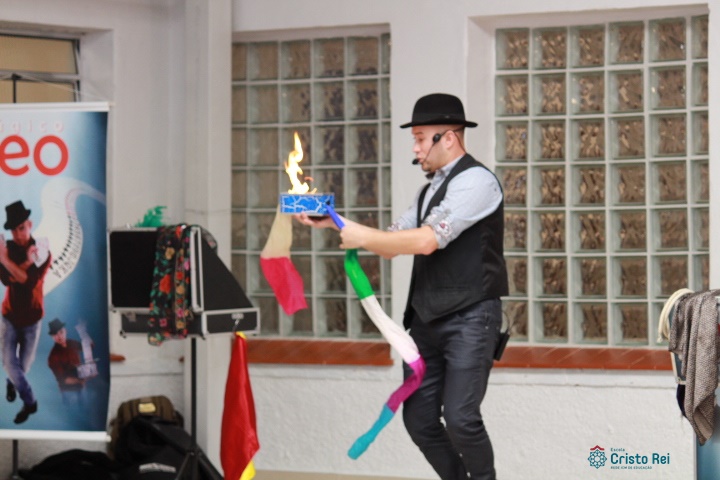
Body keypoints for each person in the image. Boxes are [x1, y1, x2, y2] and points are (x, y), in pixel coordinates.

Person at [296, 93, 508, 480]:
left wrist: (361, 236)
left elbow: (427, 240)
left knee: (461, 418)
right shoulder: (427, 192)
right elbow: (391, 242)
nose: (415, 148)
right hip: (427, 322)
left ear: (449, 137)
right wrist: (334, 221)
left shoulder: (478, 182)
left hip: (471, 319)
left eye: (421, 138)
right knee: (419, 420)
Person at [0, 200, 52, 424]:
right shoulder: (8, 248)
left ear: (30, 224)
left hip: (32, 319)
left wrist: (4, 260)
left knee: (24, 367)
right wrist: (22, 265)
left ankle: (11, 382)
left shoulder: (42, 249)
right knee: (9, 363)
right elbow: (6, 279)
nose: (18, 234)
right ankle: (30, 403)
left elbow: (29, 282)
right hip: (9, 317)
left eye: (21, 228)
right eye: (13, 230)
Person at [47, 318, 89, 404]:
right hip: (69, 392)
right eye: (55, 334)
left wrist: (83, 332)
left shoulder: (72, 343)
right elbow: (62, 379)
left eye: (61, 332)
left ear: (65, 331)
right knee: (72, 410)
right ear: (52, 337)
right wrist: (80, 381)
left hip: (82, 388)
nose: (59, 336)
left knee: (85, 408)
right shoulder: (53, 357)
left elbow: (89, 347)